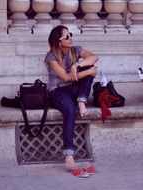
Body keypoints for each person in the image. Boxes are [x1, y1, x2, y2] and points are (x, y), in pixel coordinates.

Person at [44, 25, 98, 170]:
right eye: (67, 36)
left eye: (71, 35)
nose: (71, 38)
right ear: (59, 41)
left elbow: (94, 57)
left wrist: (78, 65)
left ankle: (81, 101)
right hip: (58, 92)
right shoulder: (52, 56)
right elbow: (66, 78)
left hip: (73, 89)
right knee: (69, 109)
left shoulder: (76, 49)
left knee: (88, 67)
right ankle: (69, 155)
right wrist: (89, 72)